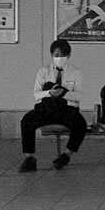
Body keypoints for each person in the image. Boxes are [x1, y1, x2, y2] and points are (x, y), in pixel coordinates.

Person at [19, 39, 87, 172]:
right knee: (27, 121)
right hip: (47, 108)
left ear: (68, 56)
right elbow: (36, 94)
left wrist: (63, 93)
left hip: (66, 108)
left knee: (80, 124)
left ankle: (67, 155)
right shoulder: (43, 72)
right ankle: (29, 157)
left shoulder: (76, 73)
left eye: (62, 56)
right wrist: (50, 92)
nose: (59, 58)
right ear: (51, 55)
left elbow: (78, 96)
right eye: (56, 56)